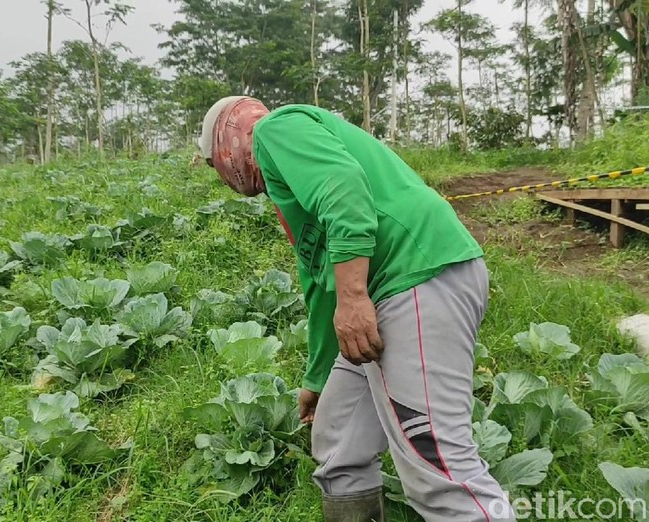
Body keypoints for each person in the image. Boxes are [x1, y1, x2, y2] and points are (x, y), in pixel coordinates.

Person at [198, 96, 516, 522]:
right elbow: (321, 286)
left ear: (227, 141)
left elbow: (345, 193)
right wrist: (316, 377)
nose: (221, 178)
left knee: (436, 464)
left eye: (212, 166)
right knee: (339, 439)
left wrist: (353, 298)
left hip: (413, 277)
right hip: (389, 290)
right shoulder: (289, 184)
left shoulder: (275, 130)